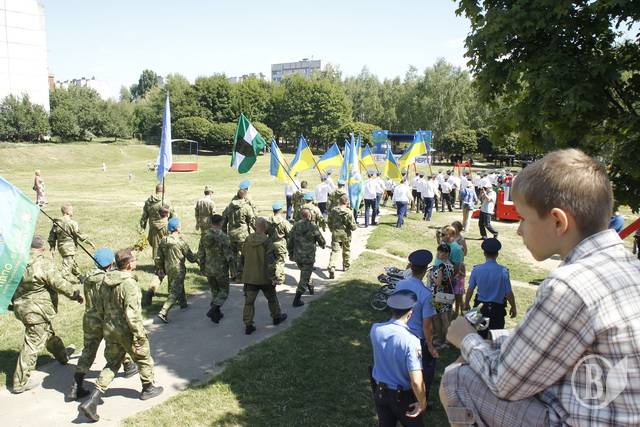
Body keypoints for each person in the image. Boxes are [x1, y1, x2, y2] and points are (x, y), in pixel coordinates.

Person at [442, 149, 640, 427]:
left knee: (457, 378)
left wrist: (466, 338)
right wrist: (495, 339)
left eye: (524, 218)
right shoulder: (628, 265)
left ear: (558, 221)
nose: (519, 230)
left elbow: (504, 381)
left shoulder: (569, 285)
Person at [79, 248, 163, 422]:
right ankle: (148, 388)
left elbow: (101, 307)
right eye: (134, 259)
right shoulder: (129, 284)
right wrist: (139, 335)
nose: (136, 261)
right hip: (126, 330)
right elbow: (133, 315)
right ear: (129, 264)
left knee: (113, 363)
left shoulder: (106, 280)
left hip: (110, 328)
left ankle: (92, 400)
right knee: (143, 357)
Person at [10, 236, 83, 394]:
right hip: (38, 310)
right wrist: (75, 294)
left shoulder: (16, 262)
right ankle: (20, 382)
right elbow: (59, 284)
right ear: (42, 248)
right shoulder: (42, 264)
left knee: (47, 334)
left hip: (22, 308)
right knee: (32, 344)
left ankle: (62, 356)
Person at [67, 247, 137, 401]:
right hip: (105, 318)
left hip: (90, 319)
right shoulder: (107, 278)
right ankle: (128, 366)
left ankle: (75, 386)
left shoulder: (88, 277)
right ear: (110, 263)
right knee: (117, 345)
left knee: (88, 351)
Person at [370, 289, 427, 427]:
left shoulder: (375, 329)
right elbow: (416, 381)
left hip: (380, 392)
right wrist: (422, 402)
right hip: (402, 397)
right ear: (410, 314)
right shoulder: (411, 340)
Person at [394, 250, 438, 406]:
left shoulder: (400, 284)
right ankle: (421, 399)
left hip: (400, 332)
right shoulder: (426, 294)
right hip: (416, 338)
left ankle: (402, 396)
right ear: (425, 270)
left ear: (411, 267)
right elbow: (427, 325)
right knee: (425, 369)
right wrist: (430, 346)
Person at [241, 217, 288, 335]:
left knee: (249, 302)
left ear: (255, 226)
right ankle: (276, 317)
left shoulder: (248, 239)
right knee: (272, 298)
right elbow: (271, 262)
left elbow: (242, 256)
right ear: (265, 226)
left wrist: (242, 271)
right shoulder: (267, 241)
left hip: (250, 277)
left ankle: (248, 325)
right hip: (264, 277)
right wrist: (273, 278)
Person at [463, 238, 516, 339]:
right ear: (497, 254)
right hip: (497, 309)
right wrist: (513, 307)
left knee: (479, 336)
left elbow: (470, 289)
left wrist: (466, 303)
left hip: (480, 308)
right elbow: (508, 292)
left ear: (484, 253)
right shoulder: (503, 271)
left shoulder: (477, 270)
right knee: (495, 337)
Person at [155, 218, 198, 323]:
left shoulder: (163, 241)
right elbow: (191, 258)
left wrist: (160, 268)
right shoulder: (180, 242)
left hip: (168, 268)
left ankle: (183, 304)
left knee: (177, 285)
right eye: (180, 225)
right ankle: (163, 312)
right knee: (175, 291)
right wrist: (198, 258)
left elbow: (158, 257)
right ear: (177, 228)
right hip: (179, 268)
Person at [198, 214, 233, 323]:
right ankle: (214, 308)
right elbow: (228, 255)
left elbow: (201, 253)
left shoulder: (204, 235)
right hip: (221, 269)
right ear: (221, 223)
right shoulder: (223, 237)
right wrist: (234, 269)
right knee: (224, 291)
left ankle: (216, 315)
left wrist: (202, 266)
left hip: (209, 268)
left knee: (214, 291)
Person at [288, 208, 326, 307]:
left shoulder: (296, 226)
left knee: (305, 273)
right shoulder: (313, 226)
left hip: (298, 256)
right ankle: (297, 300)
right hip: (308, 257)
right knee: (304, 278)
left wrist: (290, 253)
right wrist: (323, 244)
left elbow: (290, 240)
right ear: (309, 215)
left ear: (301, 215)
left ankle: (310, 287)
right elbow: (319, 238)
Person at [47, 204, 95, 281]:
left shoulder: (57, 223)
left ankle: (80, 277)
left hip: (61, 247)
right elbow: (79, 235)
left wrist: (52, 247)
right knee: (67, 266)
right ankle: (59, 281)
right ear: (67, 212)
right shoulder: (72, 223)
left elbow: (52, 236)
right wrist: (89, 242)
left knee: (72, 262)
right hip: (69, 248)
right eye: (71, 210)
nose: (73, 212)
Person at [222, 180, 256, 280]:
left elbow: (224, 220)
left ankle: (233, 274)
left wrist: (224, 233)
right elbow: (253, 221)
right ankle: (240, 276)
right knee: (242, 255)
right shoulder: (246, 207)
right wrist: (259, 232)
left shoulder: (229, 206)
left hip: (231, 235)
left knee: (232, 255)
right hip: (243, 236)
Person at [142, 205, 171, 306]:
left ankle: (151, 290)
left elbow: (150, 239)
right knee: (172, 275)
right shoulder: (168, 225)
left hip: (157, 254)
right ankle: (173, 296)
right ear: (167, 214)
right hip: (168, 254)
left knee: (159, 274)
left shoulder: (153, 225)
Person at [429, 243, 455, 349]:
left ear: (447, 253)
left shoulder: (441, 266)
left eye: (442, 252)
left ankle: (440, 340)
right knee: (445, 319)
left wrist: (432, 276)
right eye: (439, 251)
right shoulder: (451, 265)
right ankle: (447, 340)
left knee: (437, 318)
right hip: (447, 294)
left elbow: (438, 283)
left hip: (439, 295)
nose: (439, 253)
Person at [140, 184, 174, 261]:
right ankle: (166, 262)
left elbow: (144, 216)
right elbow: (172, 214)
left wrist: (142, 227)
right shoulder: (165, 200)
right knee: (166, 244)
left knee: (155, 246)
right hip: (164, 226)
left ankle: (157, 264)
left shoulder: (149, 201)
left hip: (153, 227)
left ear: (156, 190)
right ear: (164, 190)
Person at [327, 194, 357, 279]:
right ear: (347, 202)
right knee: (346, 250)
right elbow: (353, 226)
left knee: (335, 251)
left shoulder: (333, 210)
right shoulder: (349, 212)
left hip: (336, 233)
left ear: (339, 201)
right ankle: (346, 266)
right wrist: (353, 227)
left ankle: (332, 266)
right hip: (346, 234)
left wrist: (332, 229)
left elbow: (329, 221)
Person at [441, 225, 466, 316]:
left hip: (453, 279)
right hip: (445, 278)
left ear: (451, 235)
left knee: (458, 297)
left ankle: (462, 314)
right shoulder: (445, 245)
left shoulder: (456, 249)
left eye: (443, 234)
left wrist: (448, 279)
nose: (441, 236)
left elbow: (457, 268)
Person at [266, 202, 292, 287]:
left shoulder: (268, 221)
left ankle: (272, 277)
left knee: (271, 261)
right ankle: (279, 278)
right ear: (280, 210)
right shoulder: (284, 222)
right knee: (280, 261)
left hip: (270, 243)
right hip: (281, 244)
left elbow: (265, 232)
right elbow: (289, 233)